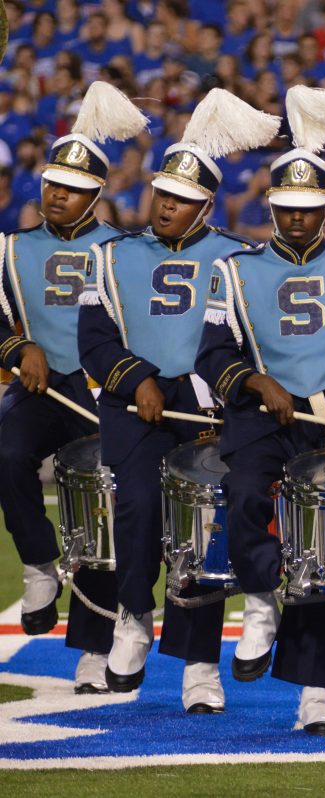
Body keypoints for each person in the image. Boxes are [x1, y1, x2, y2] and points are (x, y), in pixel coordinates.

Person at [196, 85, 325, 733]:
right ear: (271, 205)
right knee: (247, 492)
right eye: (286, 208)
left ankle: (317, 694)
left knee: (324, 558)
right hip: (260, 417)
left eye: (309, 209)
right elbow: (211, 352)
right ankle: (258, 601)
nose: (296, 219)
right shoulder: (232, 270)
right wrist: (255, 383)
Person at [78, 89, 278, 707]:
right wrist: (135, 377)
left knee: (204, 533)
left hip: (209, 407)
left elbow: (250, 341)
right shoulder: (109, 256)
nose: (167, 206)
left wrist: (219, 392)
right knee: (136, 509)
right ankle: (134, 617)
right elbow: (94, 339)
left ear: (206, 207)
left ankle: (199, 666)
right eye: (163, 194)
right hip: (133, 403)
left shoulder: (242, 260)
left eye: (182, 200)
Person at [0, 82, 143, 694]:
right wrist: (16, 348)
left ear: (96, 195)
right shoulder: (8, 249)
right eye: (53, 185)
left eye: (73, 189)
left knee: (100, 513)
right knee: (5, 454)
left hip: (100, 392)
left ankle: (95, 644)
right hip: (37, 387)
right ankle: (38, 564)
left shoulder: (125, 252)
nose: (58, 195)